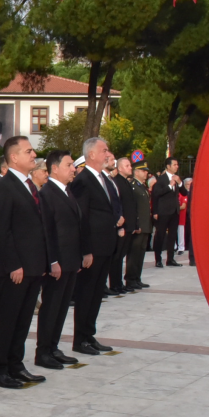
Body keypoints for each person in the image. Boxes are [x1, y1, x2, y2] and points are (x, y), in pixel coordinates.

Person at [0, 135, 49, 389]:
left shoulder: (29, 185)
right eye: (29, 151)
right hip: (16, 268)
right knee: (8, 319)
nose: (34, 155)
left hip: (33, 265)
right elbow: (3, 230)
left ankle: (16, 364)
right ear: (14, 157)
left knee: (23, 318)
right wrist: (14, 264)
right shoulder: (3, 186)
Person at [68, 138, 123, 357]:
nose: (108, 154)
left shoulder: (104, 179)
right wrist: (85, 249)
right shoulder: (83, 180)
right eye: (104, 150)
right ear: (91, 154)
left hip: (106, 245)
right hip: (93, 247)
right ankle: (80, 339)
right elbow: (82, 217)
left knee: (96, 293)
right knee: (86, 293)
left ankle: (89, 335)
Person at [35, 150, 86, 371]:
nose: (73, 168)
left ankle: (53, 347)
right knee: (51, 307)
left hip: (70, 260)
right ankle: (43, 351)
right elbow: (48, 230)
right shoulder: (47, 193)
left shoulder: (67, 191)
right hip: (58, 261)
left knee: (62, 306)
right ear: (54, 168)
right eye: (69, 165)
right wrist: (52, 261)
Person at [108, 154, 137, 296]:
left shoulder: (126, 182)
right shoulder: (117, 182)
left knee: (121, 256)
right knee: (117, 257)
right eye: (127, 165)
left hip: (129, 225)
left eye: (130, 165)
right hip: (123, 226)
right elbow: (119, 205)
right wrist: (121, 226)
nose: (130, 168)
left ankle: (119, 283)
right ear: (119, 168)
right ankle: (115, 284)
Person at [126, 164, 153, 291]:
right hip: (139, 226)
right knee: (134, 254)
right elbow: (133, 207)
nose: (145, 173)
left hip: (145, 225)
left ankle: (137, 278)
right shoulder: (133, 186)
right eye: (143, 171)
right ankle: (131, 279)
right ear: (136, 172)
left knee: (141, 253)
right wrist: (136, 224)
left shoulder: (141, 186)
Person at [151, 158, 182, 267]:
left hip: (174, 211)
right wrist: (170, 185)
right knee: (160, 235)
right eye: (174, 164)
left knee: (173, 236)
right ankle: (158, 259)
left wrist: (179, 182)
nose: (176, 166)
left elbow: (184, 192)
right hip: (163, 211)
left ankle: (170, 259)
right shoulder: (161, 179)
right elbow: (156, 194)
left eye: (177, 164)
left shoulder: (177, 178)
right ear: (168, 166)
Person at [184, 178, 195, 267]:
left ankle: (193, 258)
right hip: (196, 213)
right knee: (194, 236)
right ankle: (192, 258)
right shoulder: (195, 184)